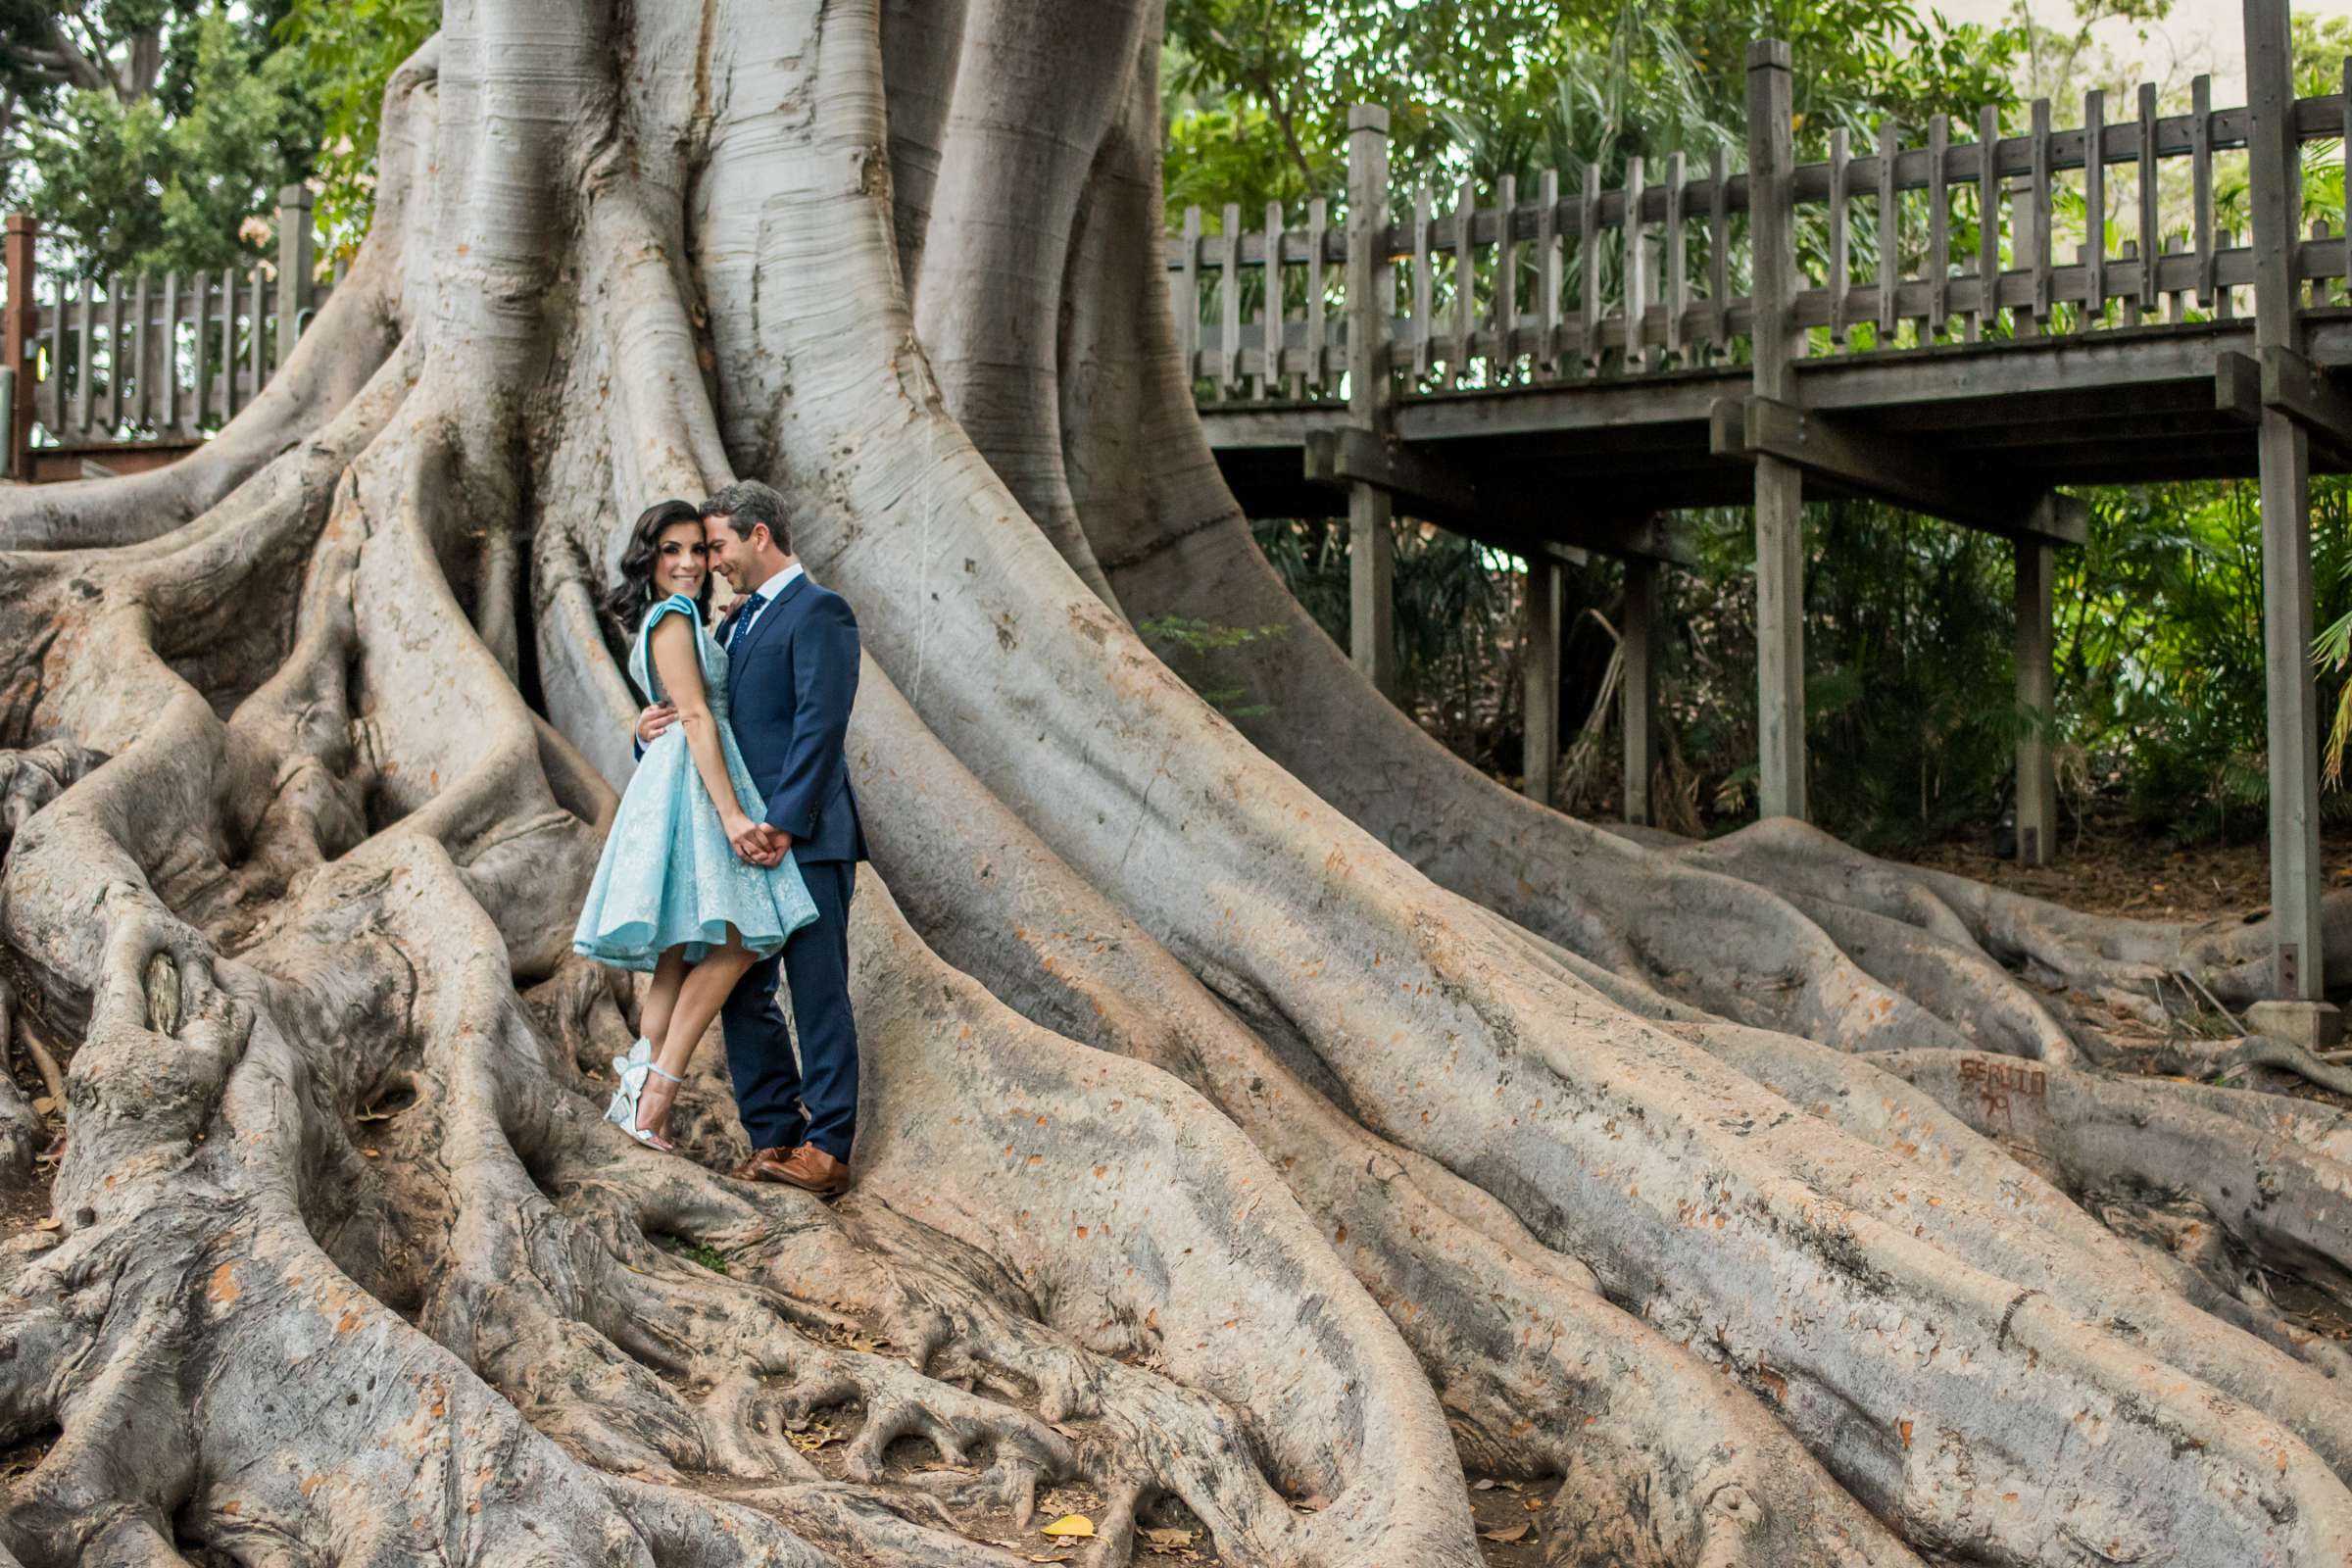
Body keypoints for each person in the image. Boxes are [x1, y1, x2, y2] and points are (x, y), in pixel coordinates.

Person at [636, 480, 866, 1198]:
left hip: (806, 835)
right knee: (742, 992)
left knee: (818, 986)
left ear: (759, 534)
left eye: (719, 545)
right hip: (739, 843)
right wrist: (644, 734)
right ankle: (775, 1133)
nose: (712, 562)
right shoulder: (731, 624)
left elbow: (820, 726)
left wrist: (783, 822)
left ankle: (827, 1148)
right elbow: (702, 719)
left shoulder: (819, 611)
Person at [573, 499, 818, 1152]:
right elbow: (698, 717)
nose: (688, 563)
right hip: (697, 786)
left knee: (681, 952)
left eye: (697, 550)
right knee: (740, 937)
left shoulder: (671, 620)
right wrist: (734, 814)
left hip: (676, 778)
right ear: (648, 560)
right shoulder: (674, 615)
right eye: (671, 551)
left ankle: (634, 1100)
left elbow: (675, 706)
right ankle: (657, 1095)